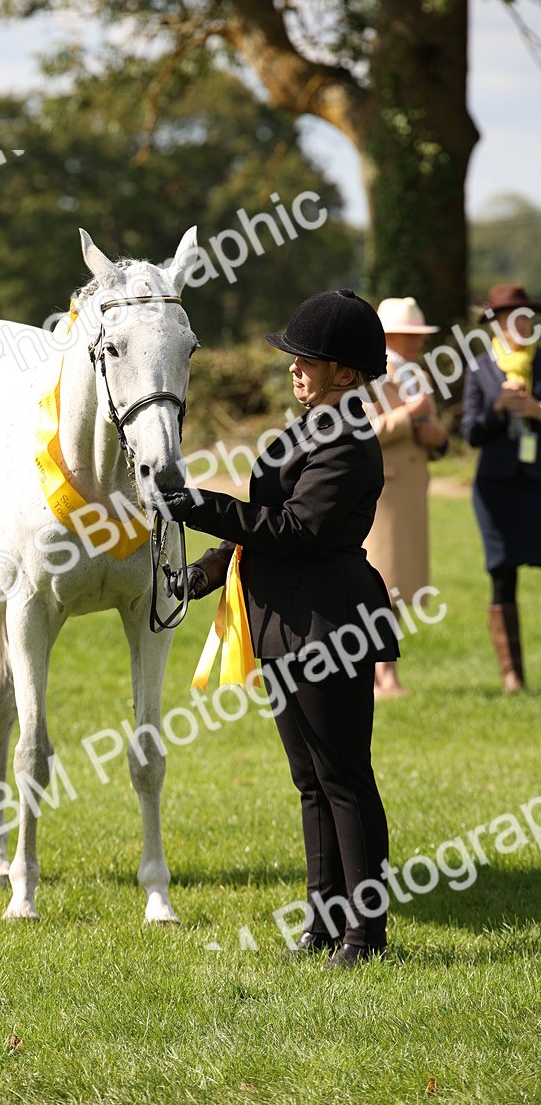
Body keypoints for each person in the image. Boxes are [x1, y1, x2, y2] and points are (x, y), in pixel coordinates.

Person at [160, 288, 399, 968]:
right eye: (294, 357)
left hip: (328, 624)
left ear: (346, 375)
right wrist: (205, 572)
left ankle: (367, 935)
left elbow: (295, 531)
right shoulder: (300, 433)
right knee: (310, 781)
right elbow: (266, 529)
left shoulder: (350, 444)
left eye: (309, 359)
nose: (294, 367)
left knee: (344, 778)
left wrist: (193, 504)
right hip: (280, 623)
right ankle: (324, 925)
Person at [363, 297, 449, 698]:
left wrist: (437, 440)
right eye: (409, 335)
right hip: (385, 492)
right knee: (383, 585)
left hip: (409, 492)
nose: (416, 342)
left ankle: (384, 675)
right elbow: (364, 431)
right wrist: (407, 418)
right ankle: (383, 677)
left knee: (392, 589)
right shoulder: (372, 373)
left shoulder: (414, 372)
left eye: (419, 336)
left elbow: (426, 428)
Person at [461, 283, 541, 692]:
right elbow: (470, 432)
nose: (524, 323)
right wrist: (497, 411)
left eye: (528, 317)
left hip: (537, 482)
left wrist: (535, 410)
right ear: (496, 323)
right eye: (514, 317)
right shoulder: (479, 369)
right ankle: (512, 675)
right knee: (502, 576)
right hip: (495, 490)